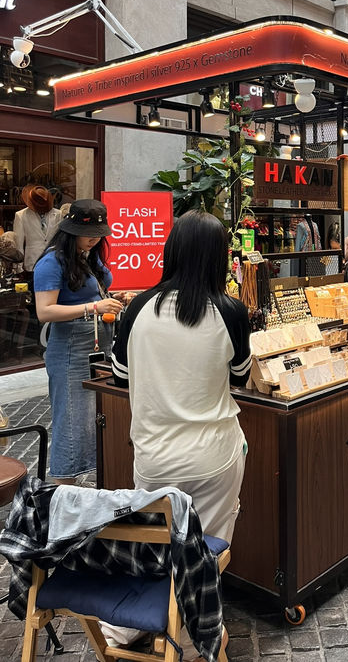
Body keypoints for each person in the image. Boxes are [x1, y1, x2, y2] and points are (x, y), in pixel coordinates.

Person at [111, 211, 251, 544]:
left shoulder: (138, 308)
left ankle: (165, 598)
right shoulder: (230, 311)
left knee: (159, 549)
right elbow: (240, 377)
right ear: (219, 258)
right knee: (209, 549)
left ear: (171, 250)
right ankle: (201, 596)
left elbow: (120, 377)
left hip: (154, 457)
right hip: (215, 457)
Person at [33, 199, 122, 484]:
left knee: (95, 416)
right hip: (70, 348)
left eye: (100, 231)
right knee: (71, 420)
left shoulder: (89, 255)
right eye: (89, 232)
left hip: (97, 343)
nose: (96, 237)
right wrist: (94, 308)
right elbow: (44, 311)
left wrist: (112, 299)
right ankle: (64, 491)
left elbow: (93, 294)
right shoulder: (51, 261)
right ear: (71, 231)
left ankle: (87, 482)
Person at [13, 185, 62, 274]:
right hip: (32, 263)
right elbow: (18, 243)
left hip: (55, 261)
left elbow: (61, 239)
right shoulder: (21, 216)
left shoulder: (58, 214)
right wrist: (18, 268)